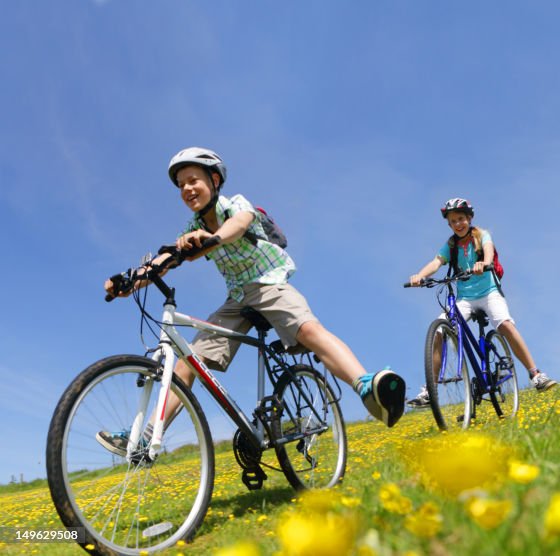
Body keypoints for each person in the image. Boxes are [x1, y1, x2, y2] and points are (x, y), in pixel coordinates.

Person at [98, 147, 405, 456]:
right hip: (237, 298)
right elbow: (165, 259)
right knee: (187, 363)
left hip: (269, 283)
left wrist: (211, 240)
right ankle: (145, 436)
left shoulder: (236, 205)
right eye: (181, 185)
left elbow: (239, 225)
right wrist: (131, 280)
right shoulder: (192, 228)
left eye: (193, 180)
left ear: (214, 180)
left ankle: (365, 385)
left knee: (308, 330)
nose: (187, 189)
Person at [406, 198, 556, 407]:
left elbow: (488, 251)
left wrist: (483, 264)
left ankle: (535, 374)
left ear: (469, 218)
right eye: (453, 221)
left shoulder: (481, 235)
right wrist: (419, 276)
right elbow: (436, 262)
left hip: (489, 293)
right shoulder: (451, 245)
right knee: (439, 331)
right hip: (464, 298)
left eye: (461, 219)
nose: (458, 224)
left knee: (504, 324)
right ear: (449, 225)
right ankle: (430, 390)